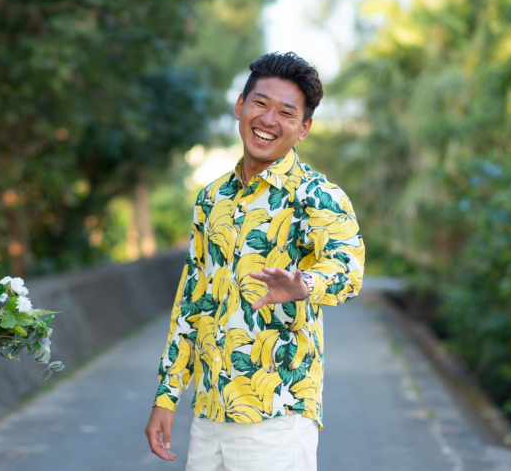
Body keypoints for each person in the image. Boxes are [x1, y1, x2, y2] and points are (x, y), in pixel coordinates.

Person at [144, 52, 364, 471]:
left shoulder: (317, 196)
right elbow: (192, 300)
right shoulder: (212, 198)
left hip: (277, 414)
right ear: (240, 106)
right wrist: (167, 395)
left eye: (286, 112)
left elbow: (348, 271)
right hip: (208, 412)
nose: (268, 120)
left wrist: (306, 286)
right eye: (260, 103)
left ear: (304, 128)